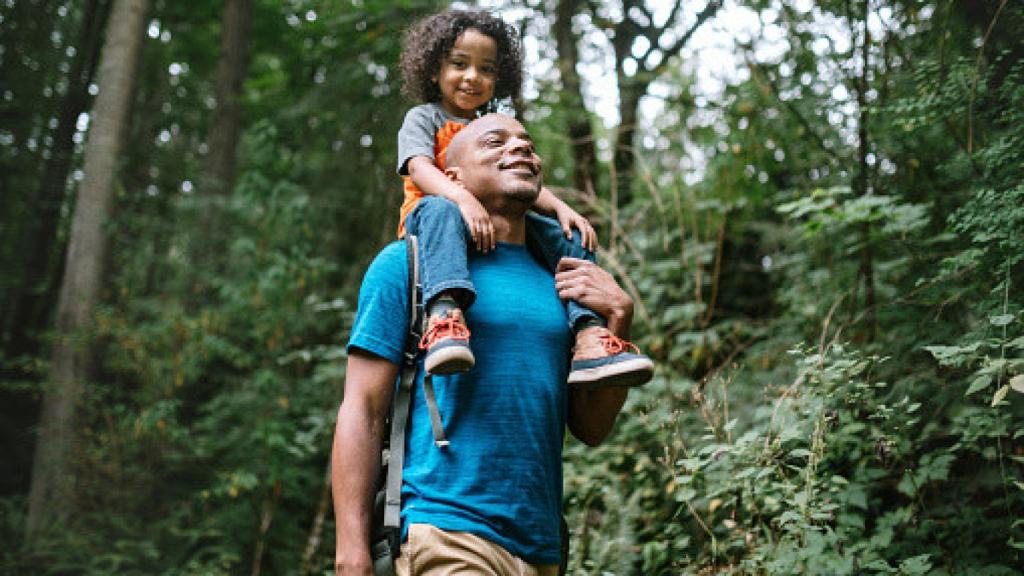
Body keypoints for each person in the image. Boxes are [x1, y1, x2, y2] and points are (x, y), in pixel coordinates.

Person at [333, 114, 648, 575]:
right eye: (495, 142)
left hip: (542, 548)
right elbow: (361, 407)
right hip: (444, 528)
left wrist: (618, 320)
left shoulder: (566, 281)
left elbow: (592, 428)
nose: (519, 148)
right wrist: (351, 551)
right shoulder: (406, 264)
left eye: (527, 143)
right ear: (454, 177)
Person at [395, 9, 652, 387]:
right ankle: (445, 316)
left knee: (568, 235)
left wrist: (561, 208)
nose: (472, 76)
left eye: (486, 69)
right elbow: (419, 168)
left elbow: (517, 180)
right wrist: (462, 199)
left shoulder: (492, 124)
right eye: (459, 64)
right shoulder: (424, 118)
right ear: (434, 70)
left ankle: (589, 333)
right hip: (436, 222)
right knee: (439, 209)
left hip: (494, 222)